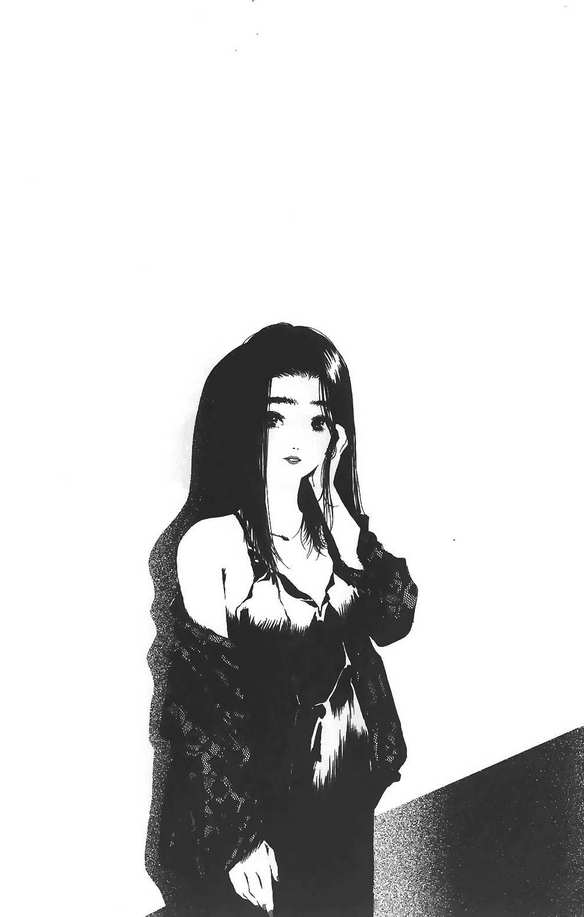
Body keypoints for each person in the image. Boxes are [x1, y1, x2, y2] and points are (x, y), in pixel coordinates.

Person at [146, 323, 418, 916]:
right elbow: (202, 707)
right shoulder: (213, 543)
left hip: (348, 790)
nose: (300, 437)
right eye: (277, 416)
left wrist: (343, 520)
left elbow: (394, 620)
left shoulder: (333, 530)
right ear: (244, 421)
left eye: (318, 421)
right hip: (262, 811)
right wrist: (239, 838)